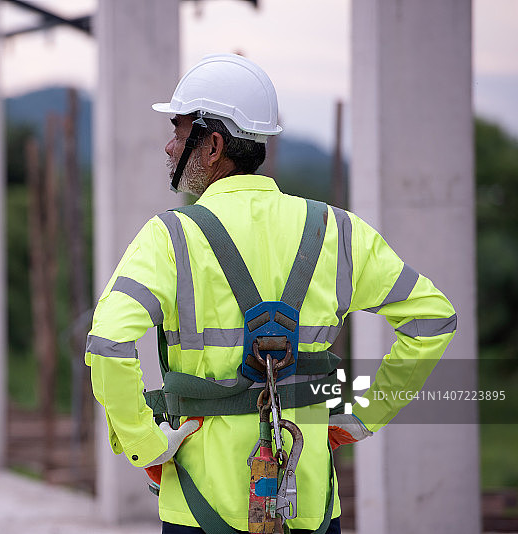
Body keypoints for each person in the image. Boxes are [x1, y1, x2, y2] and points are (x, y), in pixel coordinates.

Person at [84, 53, 456, 534]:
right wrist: (365, 416)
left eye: (178, 130)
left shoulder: (170, 238)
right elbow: (433, 319)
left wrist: (145, 444)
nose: (169, 146)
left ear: (213, 144)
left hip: (200, 505)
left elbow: (108, 343)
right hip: (308, 505)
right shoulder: (338, 231)